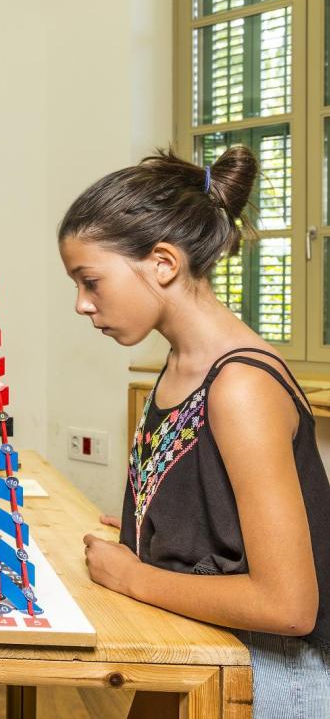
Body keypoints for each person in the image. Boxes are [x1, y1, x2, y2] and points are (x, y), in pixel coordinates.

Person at [58, 146, 330, 718]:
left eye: (91, 281)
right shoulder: (183, 365)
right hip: (199, 651)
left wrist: (134, 576)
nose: (82, 304)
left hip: (270, 677)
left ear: (161, 263)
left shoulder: (239, 385)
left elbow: (289, 605)